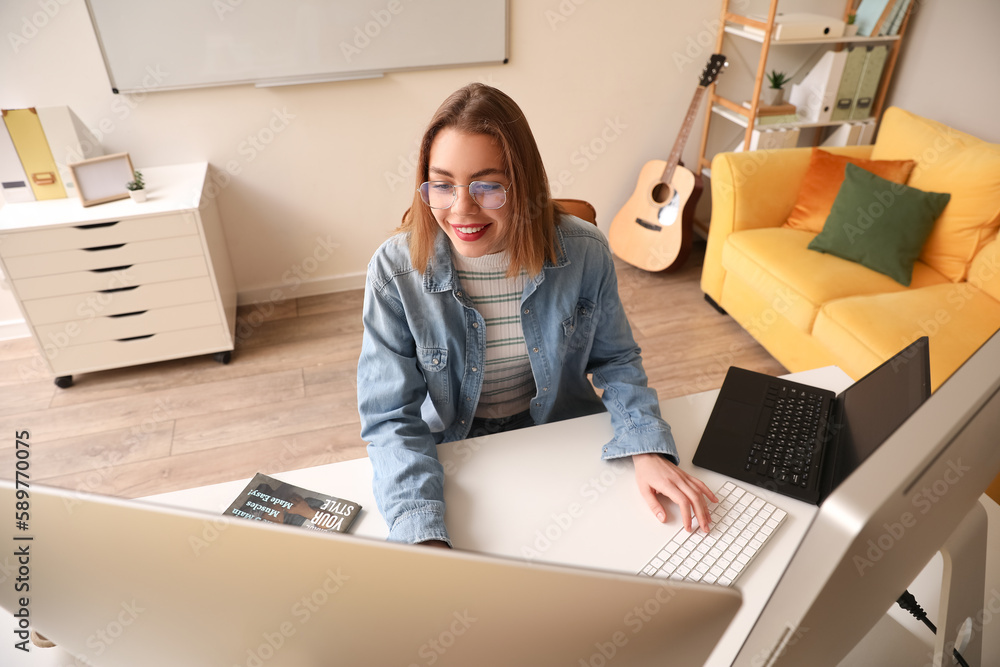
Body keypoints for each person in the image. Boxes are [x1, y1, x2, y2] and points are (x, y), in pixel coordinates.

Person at [357, 83, 716, 549]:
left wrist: (646, 446)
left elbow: (616, 361)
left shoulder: (584, 252)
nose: (461, 208)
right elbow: (389, 418)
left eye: (488, 186)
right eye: (442, 184)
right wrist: (420, 531)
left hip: (557, 434)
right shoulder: (393, 271)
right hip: (453, 446)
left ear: (522, 184)